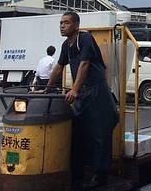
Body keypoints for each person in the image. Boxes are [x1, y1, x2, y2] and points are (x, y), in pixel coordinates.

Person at [45, 12, 119, 191]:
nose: (62, 26)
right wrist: (46, 89)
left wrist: (75, 89)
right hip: (83, 94)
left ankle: (100, 174)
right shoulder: (66, 45)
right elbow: (59, 67)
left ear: (76, 25)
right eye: (61, 23)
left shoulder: (84, 38)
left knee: (100, 133)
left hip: (96, 91)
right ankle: (79, 171)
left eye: (66, 23)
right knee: (79, 133)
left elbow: (84, 64)